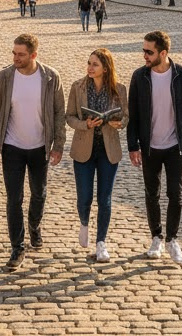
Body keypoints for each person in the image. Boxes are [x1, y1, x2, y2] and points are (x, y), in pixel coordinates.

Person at [0, 34, 66, 271]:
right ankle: (17, 246)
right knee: (14, 198)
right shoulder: (4, 77)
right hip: (12, 146)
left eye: (21, 54)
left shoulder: (50, 77)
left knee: (39, 193)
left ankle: (34, 225)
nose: (15, 58)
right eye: (14, 53)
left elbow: (59, 113)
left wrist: (58, 145)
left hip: (40, 146)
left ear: (33, 55)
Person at [127, 30, 182, 265]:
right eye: (144, 51)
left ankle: (172, 239)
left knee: (176, 195)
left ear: (163, 53)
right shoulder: (139, 77)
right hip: (150, 147)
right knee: (152, 194)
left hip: (175, 145)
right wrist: (133, 146)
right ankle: (156, 237)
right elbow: (133, 115)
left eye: (149, 52)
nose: (145, 56)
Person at [67, 48, 128, 263]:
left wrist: (119, 123)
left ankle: (101, 242)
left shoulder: (119, 89)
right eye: (89, 63)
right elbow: (70, 117)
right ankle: (84, 222)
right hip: (84, 149)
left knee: (105, 199)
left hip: (108, 151)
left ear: (106, 68)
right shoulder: (78, 86)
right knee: (84, 197)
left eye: (95, 64)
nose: (90, 68)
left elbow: (126, 116)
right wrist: (86, 124)